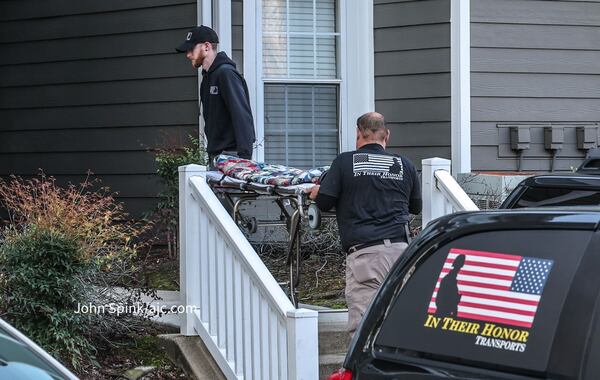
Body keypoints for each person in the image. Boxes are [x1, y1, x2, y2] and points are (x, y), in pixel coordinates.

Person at [307, 112, 422, 335]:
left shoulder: (345, 162)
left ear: (359, 133)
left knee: (366, 330)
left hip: (367, 256)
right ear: (386, 135)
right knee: (401, 323)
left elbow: (325, 201)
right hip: (402, 253)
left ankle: (364, 369)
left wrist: (317, 193)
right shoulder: (404, 164)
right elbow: (415, 207)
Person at [176, 25, 255, 168]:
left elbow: (242, 116)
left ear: (206, 47)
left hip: (233, 157)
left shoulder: (226, 74)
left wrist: (245, 160)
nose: (188, 55)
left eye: (191, 49)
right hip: (216, 156)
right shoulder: (207, 78)